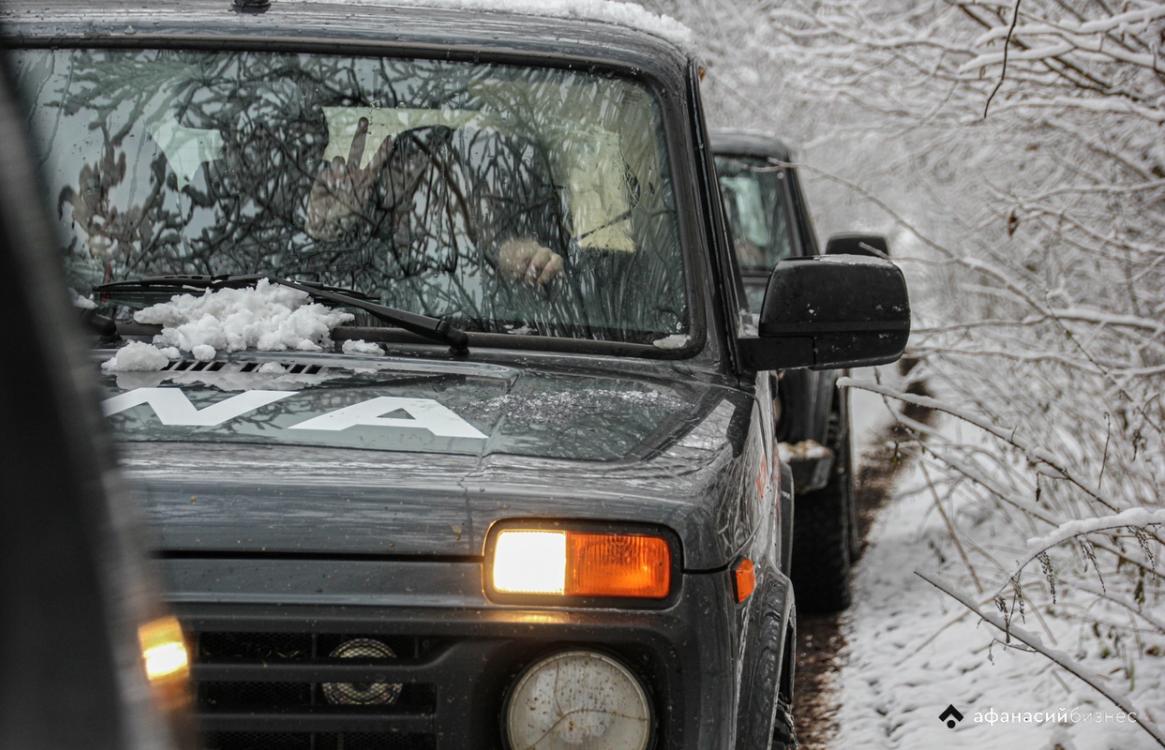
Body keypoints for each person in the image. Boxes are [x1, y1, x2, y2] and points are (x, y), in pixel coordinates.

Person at [304, 117, 565, 289]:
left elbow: (483, 247)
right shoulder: (340, 211)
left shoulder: (448, 222)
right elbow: (299, 284)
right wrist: (333, 225)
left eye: (408, 159)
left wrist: (516, 257)